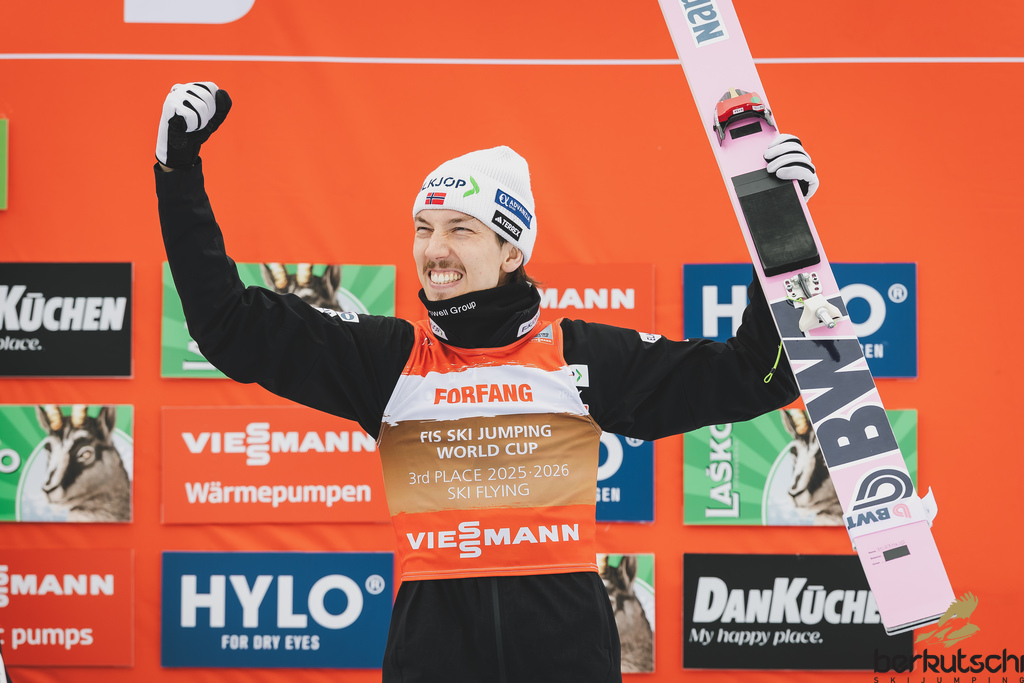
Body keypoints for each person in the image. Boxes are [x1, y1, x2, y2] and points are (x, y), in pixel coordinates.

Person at [155, 81, 813, 682]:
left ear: (510, 251)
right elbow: (228, 327)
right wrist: (177, 174)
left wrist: (780, 226)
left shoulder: (581, 356)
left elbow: (755, 375)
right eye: (423, 228)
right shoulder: (388, 360)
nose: (434, 249)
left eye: (460, 230)